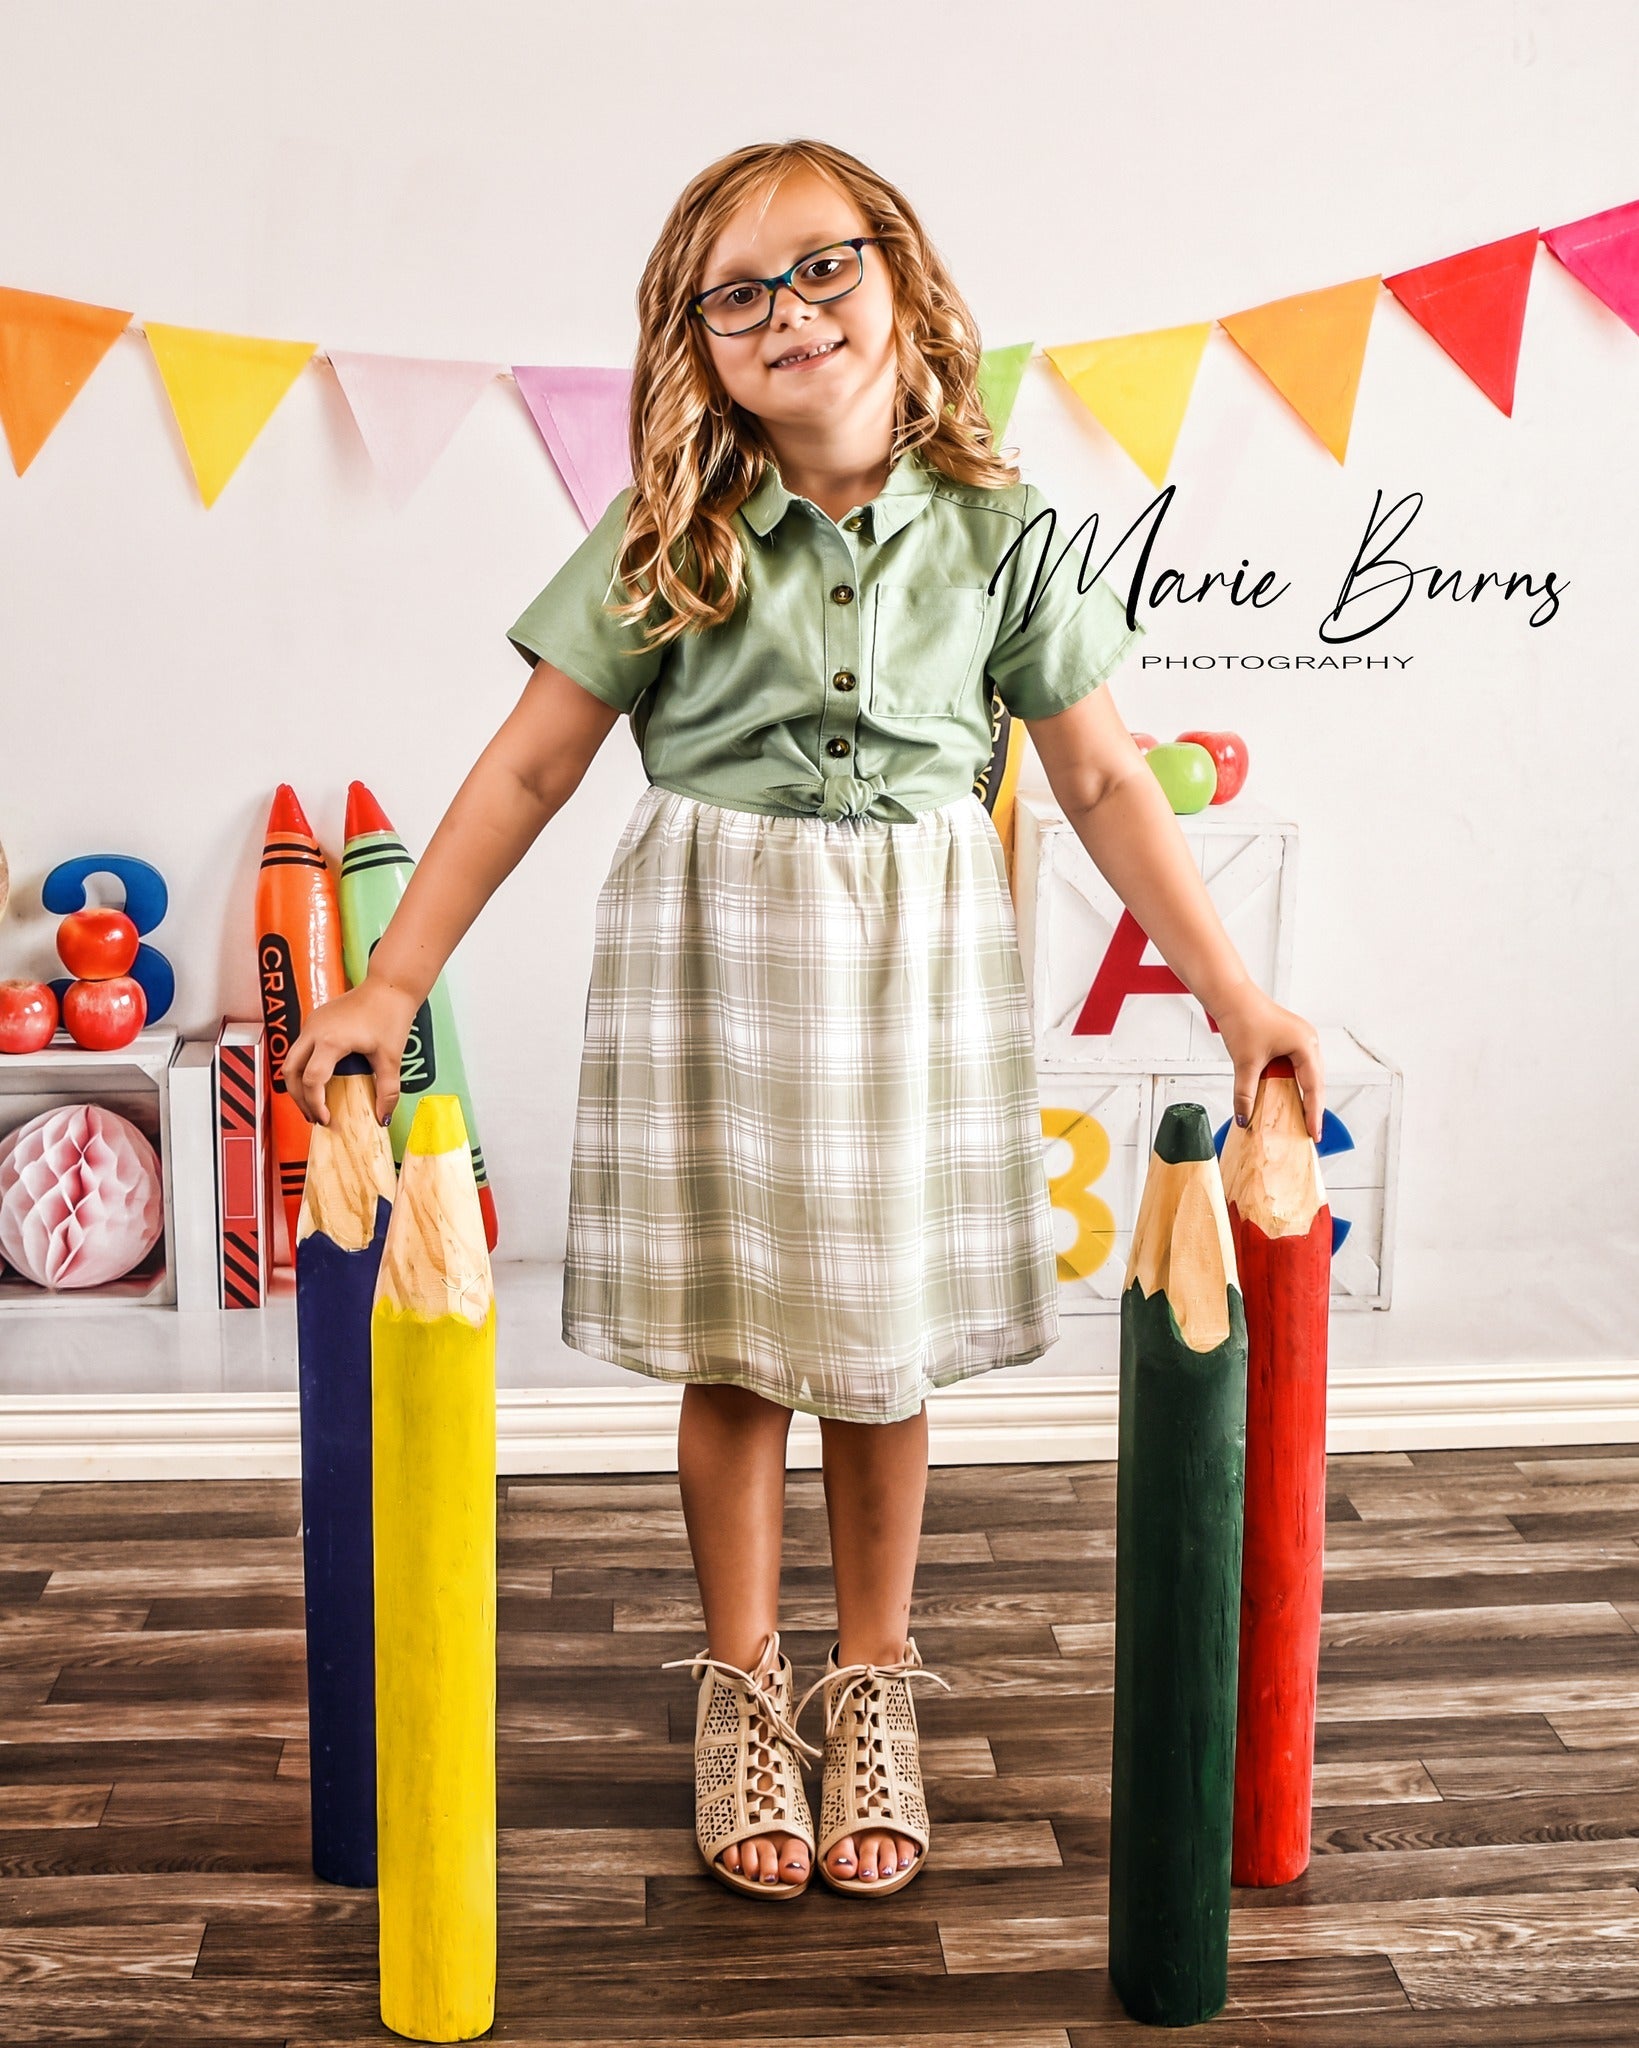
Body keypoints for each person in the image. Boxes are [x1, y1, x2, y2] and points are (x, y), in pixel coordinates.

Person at [282, 137, 1326, 1907]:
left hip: (911, 972)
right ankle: (747, 1689)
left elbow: (1104, 781)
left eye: (823, 268)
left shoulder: (1002, 533)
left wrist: (1234, 995)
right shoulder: (667, 534)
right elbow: (530, 768)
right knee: (739, 1348)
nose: (791, 313)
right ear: (697, 341)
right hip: (718, 959)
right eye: (740, 291)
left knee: (880, 1347)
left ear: (902, 280)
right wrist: (388, 980)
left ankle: (873, 1680)